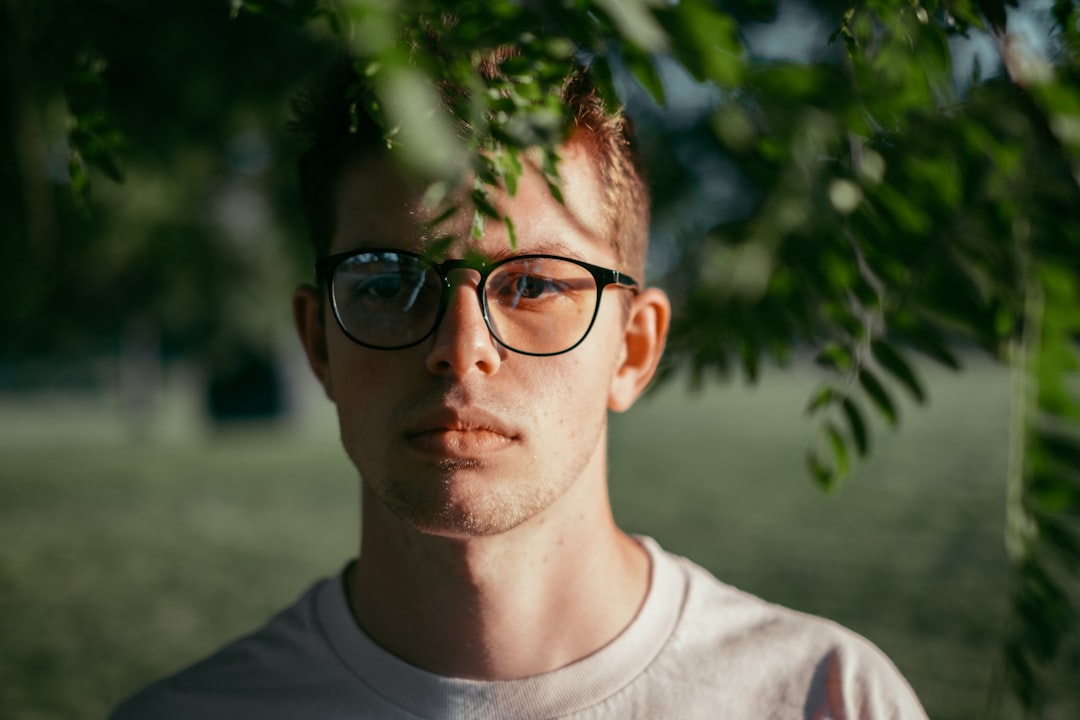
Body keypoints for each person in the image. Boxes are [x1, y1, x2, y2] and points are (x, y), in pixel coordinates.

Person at [111, 44, 928, 720]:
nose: (460, 348)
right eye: (388, 282)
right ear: (317, 342)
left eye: (533, 284)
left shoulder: (827, 699)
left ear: (634, 350)